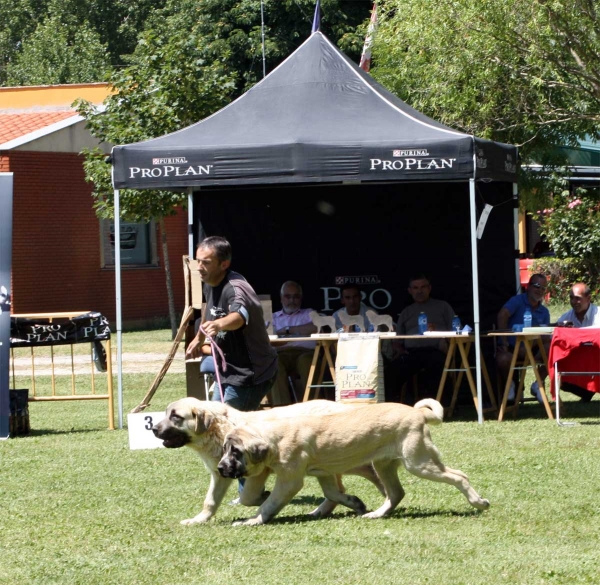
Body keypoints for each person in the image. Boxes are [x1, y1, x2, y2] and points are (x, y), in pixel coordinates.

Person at [185, 236, 278, 412]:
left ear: (224, 264)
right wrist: (199, 337)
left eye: (205, 262)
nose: (199, 267)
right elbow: (209, 310)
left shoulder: (235, 288)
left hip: (250, 373)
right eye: (198, 261)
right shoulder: (210, 282)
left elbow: (239, 316)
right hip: (227, 370)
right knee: (216, 421)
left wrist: (219, 324)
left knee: (229, 427)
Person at [385, 274, 455, 403]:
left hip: (436, 350)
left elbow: (456, 331)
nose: (419, 291)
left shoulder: (442, 306)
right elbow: (398, 339)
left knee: (437, 366)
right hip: (411, 353)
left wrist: (442, 337)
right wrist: (398, 348)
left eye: (423, 287)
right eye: (415, 288)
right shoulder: (406, 311)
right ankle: (390, 406)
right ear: (410, 291)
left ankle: (444, 405)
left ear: (429, 288)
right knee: (393, 370)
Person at [496, 273, 551, 403]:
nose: (539, 290)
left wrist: (530, 345)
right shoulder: (517, 301)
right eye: (537, 286)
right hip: (511, 348)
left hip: (533, 349)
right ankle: (510, 385)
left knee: (553, 349)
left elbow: (546, 334)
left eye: (543, 288)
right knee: (503, 359)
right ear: (528, 287)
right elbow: (502, 315)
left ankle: (538, 384)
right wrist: (503, 341)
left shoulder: (544, 312)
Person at [270, 281, 317, 405]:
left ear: (300, 298)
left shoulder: (309, 313)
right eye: (288, 296)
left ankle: (312, 408)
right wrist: (299, 333)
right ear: (281, 299)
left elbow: (316, 327)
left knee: (306, 361)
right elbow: (269, 340)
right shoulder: (272, 317)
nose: (292, 300)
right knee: (273, 363)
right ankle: (282, 410)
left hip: (305, 352)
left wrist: (287, 331)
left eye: (296, 296)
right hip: (281, 353)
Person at [555, 282, 600, 402]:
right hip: (575, 361)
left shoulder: (598, 314)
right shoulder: (565, 318)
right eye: (571, 298)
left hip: (596, 359)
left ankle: (589, 390)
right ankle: (587, 391)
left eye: (578, 298)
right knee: (561, 380)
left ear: (588, 298)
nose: (574, 302)